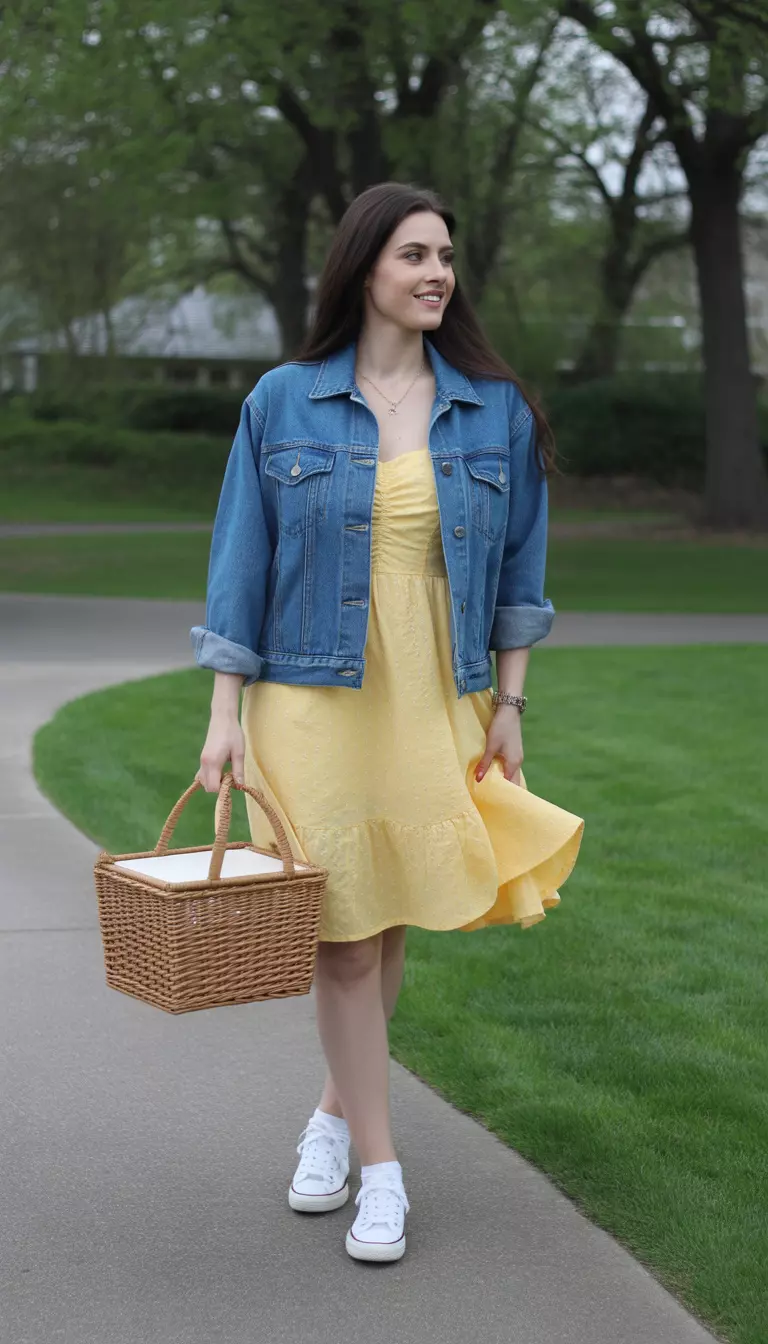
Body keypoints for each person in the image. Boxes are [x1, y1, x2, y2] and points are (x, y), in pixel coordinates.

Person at [191, 181, 584, 1265]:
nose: (436, 274)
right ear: (364, 265)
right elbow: (240, 567)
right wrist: (223, 716)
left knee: (386, 918)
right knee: (344, 938)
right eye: (414, 254)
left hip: (435, 699)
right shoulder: (282, 401)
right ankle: (382, 1172)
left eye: (446, 256)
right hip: (311, 702)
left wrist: (508, 706)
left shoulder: (493, 408)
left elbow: (519, 576)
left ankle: (328, 1118)